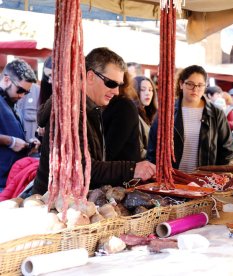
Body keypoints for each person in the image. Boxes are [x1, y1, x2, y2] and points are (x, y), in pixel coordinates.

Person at [32, 47, 156, 195]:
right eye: (111, 83)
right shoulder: (70, 111)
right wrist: (131, 169)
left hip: (66, 201)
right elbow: (83, 168)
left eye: (119, 85)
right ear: (90, 76)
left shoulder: (88, 108)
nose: (116, 91)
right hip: (54, 204)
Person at [147, 65, 233, 173]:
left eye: (200, 85)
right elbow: (153, 148)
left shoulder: (216, 114)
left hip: (204, 182)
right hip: (172, 179)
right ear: (181, 84)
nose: (195, 89)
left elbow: (227, 150)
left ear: (205, 86)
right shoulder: (166, 112)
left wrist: (216, 177)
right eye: (190, 84)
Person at [0, 59, 38, 191]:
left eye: (26, 92)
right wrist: (10, 141)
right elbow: (10, 140)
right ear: (6, 80)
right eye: (20, 90)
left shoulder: (11, 102)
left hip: (11, 181)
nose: (22, 96)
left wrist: (28, 145)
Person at [103, 72, 141, 162]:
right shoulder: (109, 104)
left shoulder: (124, 106)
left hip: (122, 172)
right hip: (113, 170)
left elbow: (109, 150)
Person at [133, 76, 158, 159]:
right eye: (143, 90)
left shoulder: (150, 115)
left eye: (150, 90)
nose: (148, 93)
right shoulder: (134, 115)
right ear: (135, 91)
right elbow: (138, 150)